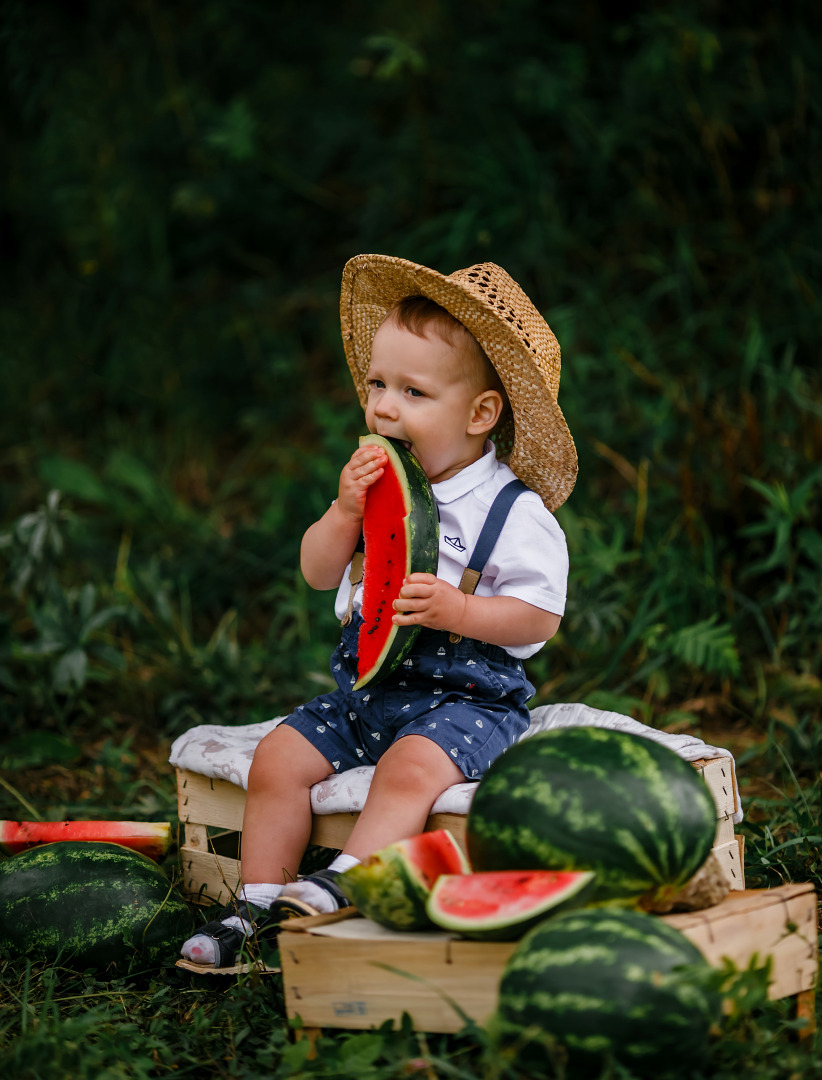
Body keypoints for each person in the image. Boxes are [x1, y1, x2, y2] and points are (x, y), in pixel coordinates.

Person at [181, 254, 577, 967]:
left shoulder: (512, 510)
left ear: (481, 414)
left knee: (409, 769)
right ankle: (257, 905)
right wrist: (342, 511)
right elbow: (316, 572)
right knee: (278, 758)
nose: (384, 407)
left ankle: (345, 881)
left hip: (468, 702)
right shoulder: (376, 487)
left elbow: (539, 618)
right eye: (377, 384)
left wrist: (461, 610)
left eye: (413, 392)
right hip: (370, 691)